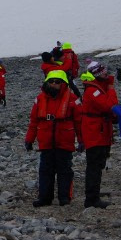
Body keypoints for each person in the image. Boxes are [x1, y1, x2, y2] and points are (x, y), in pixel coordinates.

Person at [24, 70, 82, 206]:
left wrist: (82, 140)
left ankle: (64, 198)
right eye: (51, 81)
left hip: (64, 141)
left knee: (65, 171)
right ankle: (45, 198)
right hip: (46, 142)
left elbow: (80, 122)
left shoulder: (73, 99)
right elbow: (33, 121)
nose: (54, 84)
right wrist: (29, 139)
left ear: (63, 84)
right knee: (45, 171)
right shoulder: (39, 99)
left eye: (57, 82)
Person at [79, 61, 118, 208]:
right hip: (95, 132)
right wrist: (111, 88)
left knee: (98, 163)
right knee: (94, 165)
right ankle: (91, 199)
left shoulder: (97, 88)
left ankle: (93, 195)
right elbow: (109, 105)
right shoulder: (93, 90)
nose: (105, 73)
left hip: (99, 130)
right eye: (102, 71)